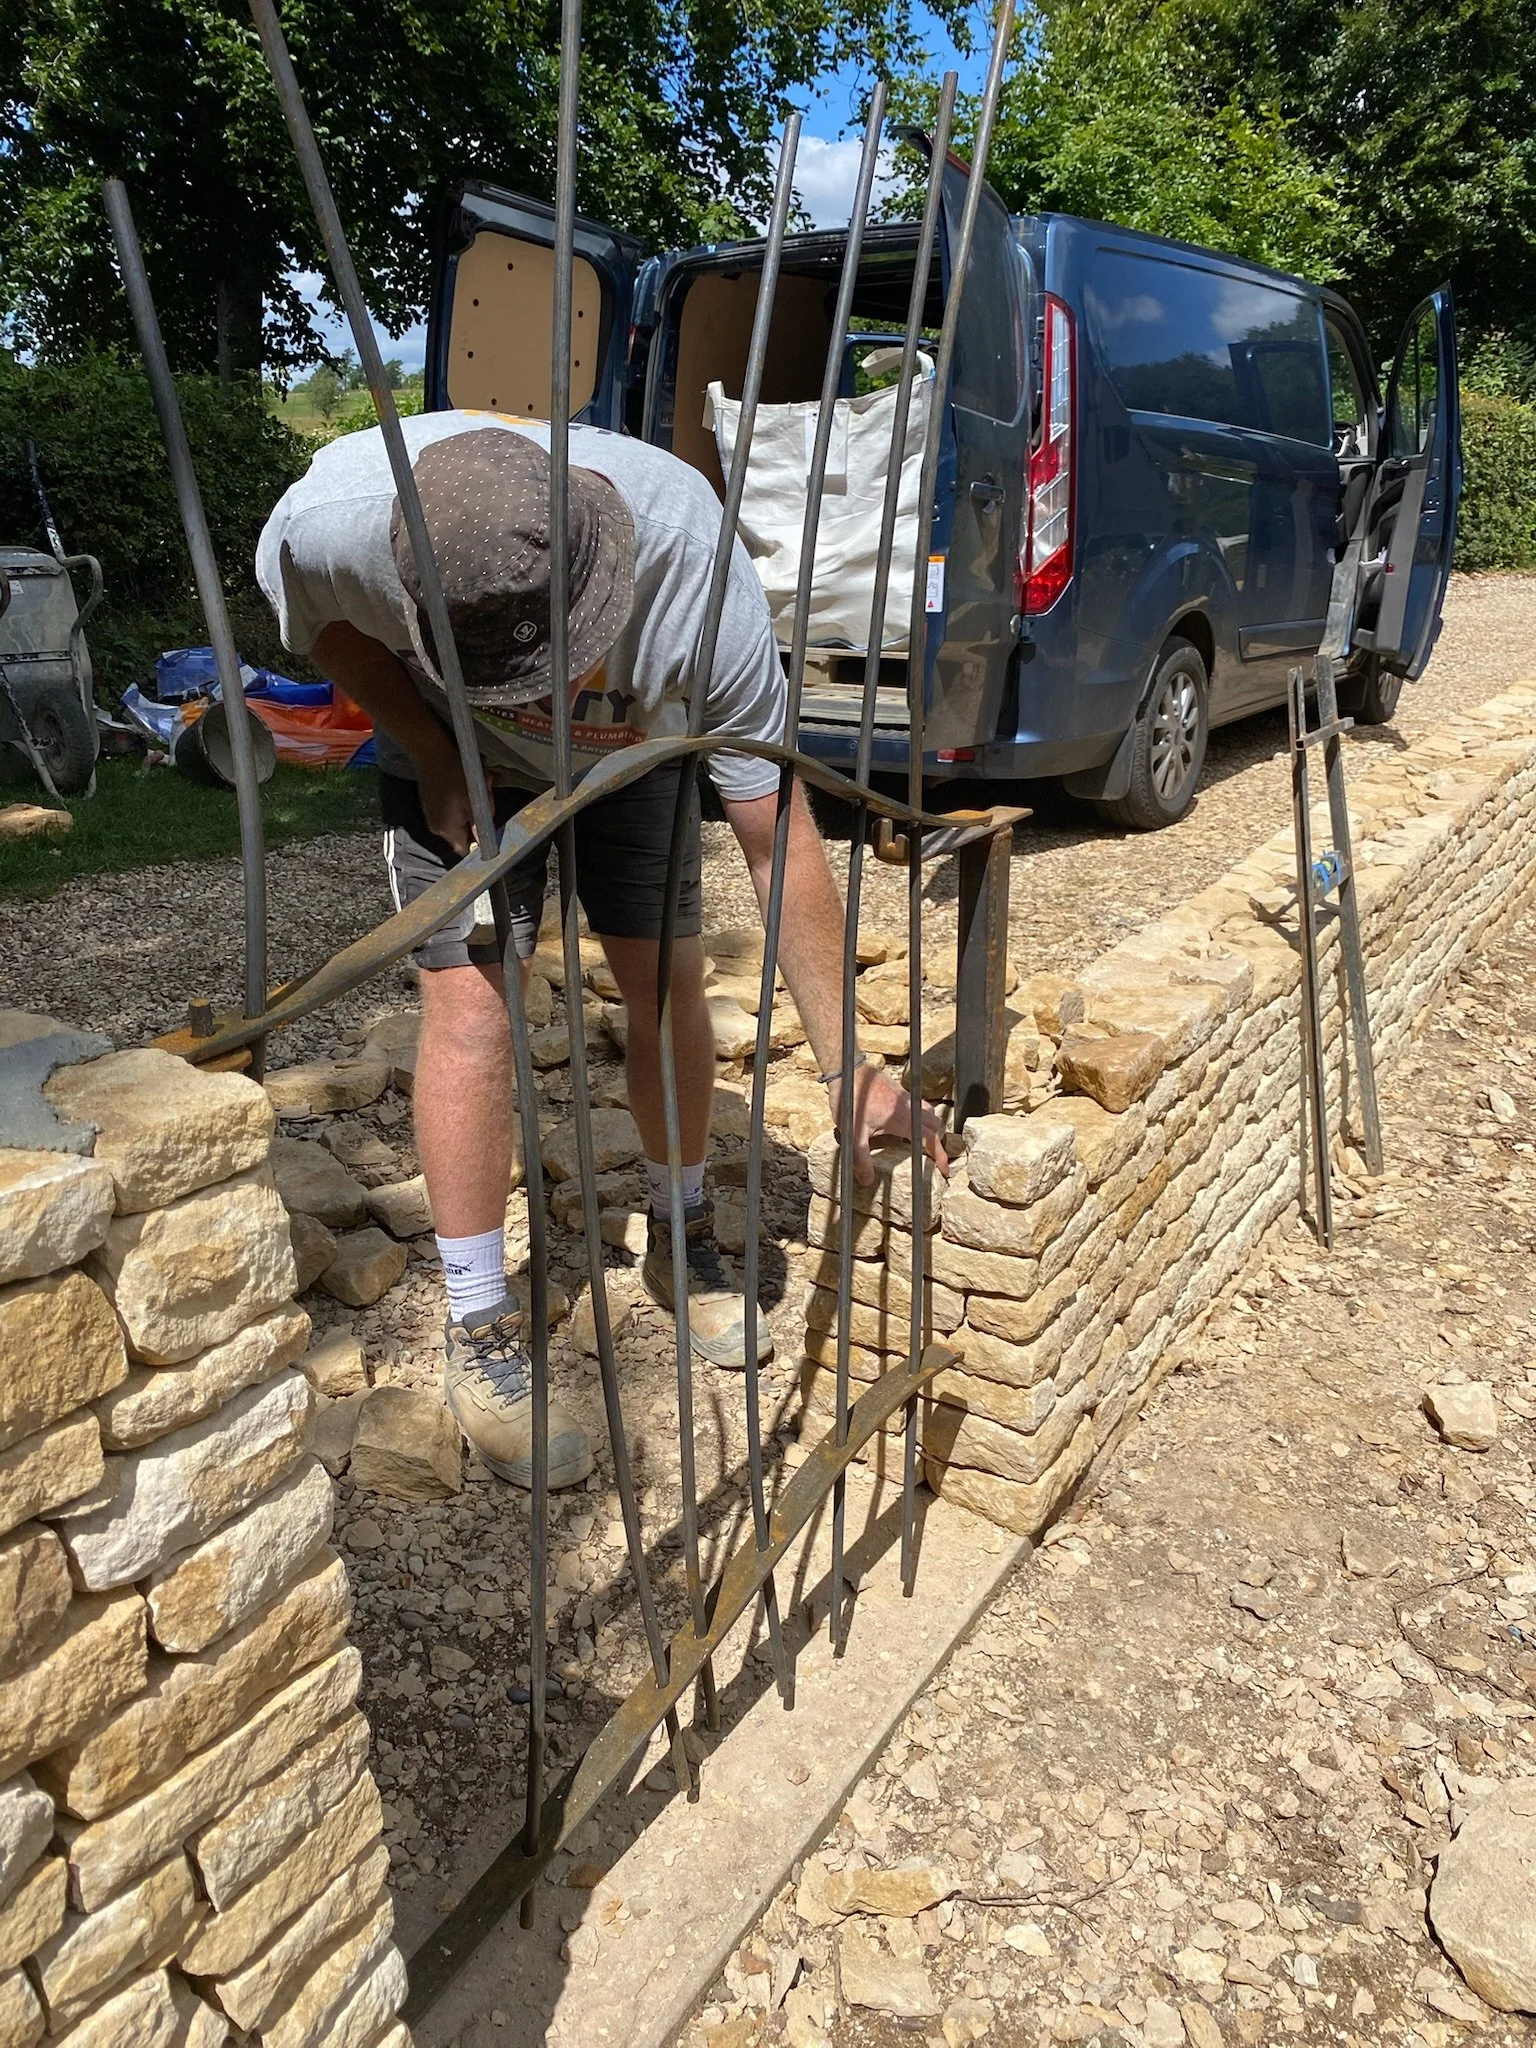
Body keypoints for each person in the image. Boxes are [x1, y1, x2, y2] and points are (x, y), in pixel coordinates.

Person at [257, 409, 943, 1491]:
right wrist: (438, 741)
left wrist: (847, 1065)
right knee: (474, 1004)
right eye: (505, 669)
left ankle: (681, 1229)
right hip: (456, 755)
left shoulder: (697, 582)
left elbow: (780, 840)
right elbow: (315, 628)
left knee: (664, 973)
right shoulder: (330, 527)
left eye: (552, 663)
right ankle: (481, 1321)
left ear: (602, 587)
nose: (536, 698)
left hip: (641, 745)